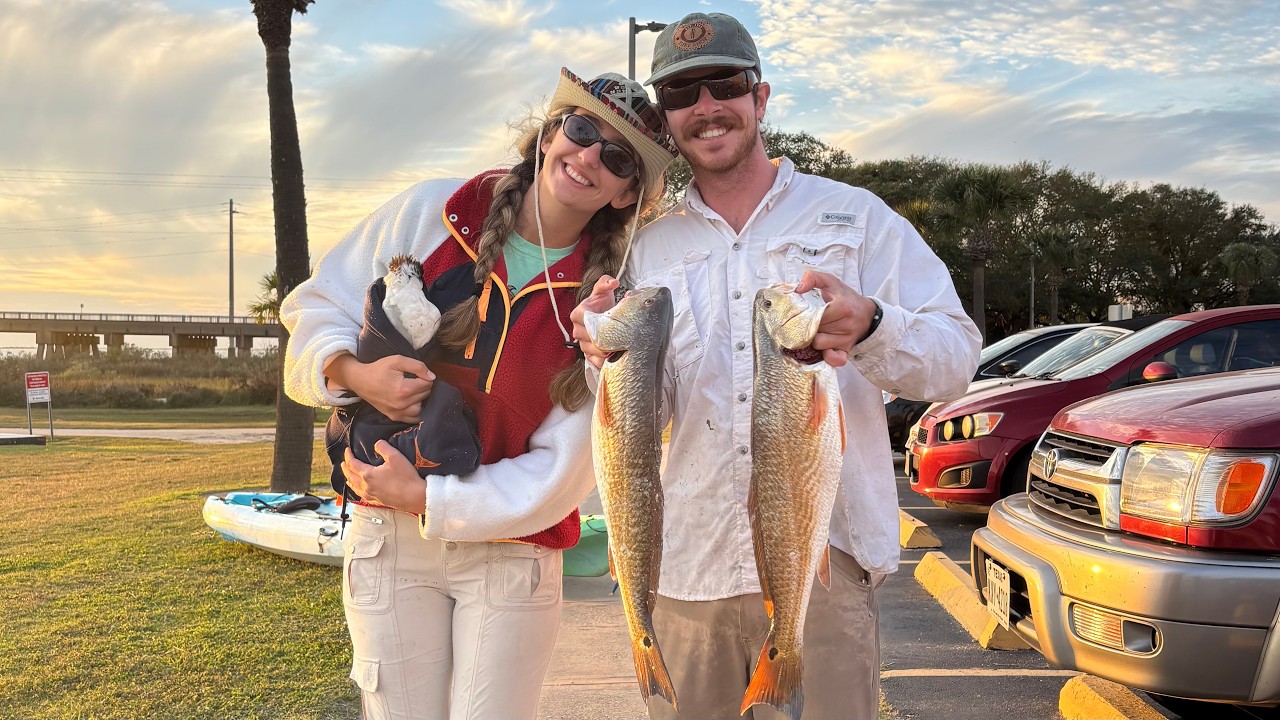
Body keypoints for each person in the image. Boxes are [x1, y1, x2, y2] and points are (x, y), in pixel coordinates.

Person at [570, 13, 982, 720]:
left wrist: (876, 324)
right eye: (681, 95)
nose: (706, 107)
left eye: (724, 84)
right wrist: (601, 354)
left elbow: (954, 364)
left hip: (824, 559)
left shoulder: (858, 219)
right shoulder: (645, 250)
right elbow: (639, 415)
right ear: (667, 121)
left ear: (759, 98)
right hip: (689, 567)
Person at [280, 67, 677, 720]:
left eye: (615, 157)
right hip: (389, 540)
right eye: (581, 130)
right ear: (551, 131)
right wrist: (353, 372)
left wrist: (429, 495)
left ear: (626, 191)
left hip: (511, 554)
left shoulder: (607, 306)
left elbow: (565, 468)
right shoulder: (432, 212)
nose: (588, 158)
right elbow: (317, 306)